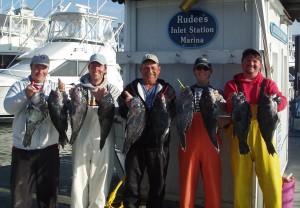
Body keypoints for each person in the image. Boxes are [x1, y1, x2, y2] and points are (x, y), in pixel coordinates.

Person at [224, 48, 287, 208]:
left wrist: (277, 102)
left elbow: (283, 101)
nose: (251, 64)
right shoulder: (232, 85)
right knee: (240, 182)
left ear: (259, 64)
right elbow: (229, 105)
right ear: (242, 63)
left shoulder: (268, 84)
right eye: (247, 60)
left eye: (255, 61)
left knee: (271, 180)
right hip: (239, 134)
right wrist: (233, 100)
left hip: (264, 134)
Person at [4, 54, 66, 208]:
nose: (40, 71)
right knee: (19, 199)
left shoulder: (53, 88)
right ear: (31, 67)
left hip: (49, 150)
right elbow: (8, 107)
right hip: (23, 151)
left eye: (43, 67)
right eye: (36, 67)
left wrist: (63, 95)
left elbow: (64, 113)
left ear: (48, 69)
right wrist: (25, 95)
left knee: (49, 199)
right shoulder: (19, 86)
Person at [118, 54, 176, 208]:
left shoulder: (168, 90)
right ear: (140, 70)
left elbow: (173, 113)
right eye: (145, 68)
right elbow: (122, 111)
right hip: (135, 145)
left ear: (159, 70)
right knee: (131, 186)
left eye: (152, 68)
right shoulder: (129, 89)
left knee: (158, 185)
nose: (149, 71)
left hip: (159, 146)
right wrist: (128, 105)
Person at [70, 53, 120, 208]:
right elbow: (67, 112)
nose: (95, 68)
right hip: (80, 135)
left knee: (101, 175)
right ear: (89, 67)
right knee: (79, 176)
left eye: (99, 65)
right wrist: (67, 99)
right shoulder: (78, 88)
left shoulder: (112, 89)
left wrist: (101, 100)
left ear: (105, 69)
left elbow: (117, 113)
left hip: (103, 136)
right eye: (92, 65)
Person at [178, 57, 226, 208]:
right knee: (187, 182)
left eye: (205, 68)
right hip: (188, 140)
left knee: (213, 182)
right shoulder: (187, 91)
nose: (202, 71)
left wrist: (219, 100)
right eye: (199, 68)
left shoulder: (218, 92)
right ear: (194, 71)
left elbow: (225, 117)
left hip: (210, 140)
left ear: (210, 72)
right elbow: (178, 114)